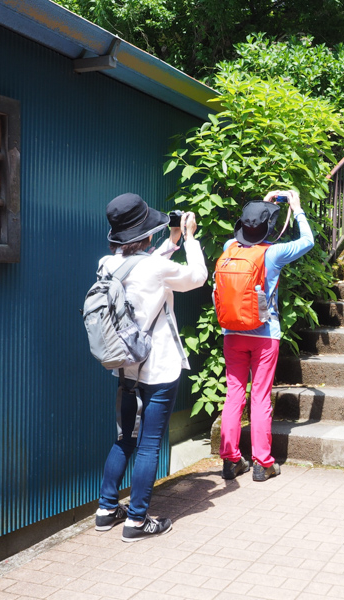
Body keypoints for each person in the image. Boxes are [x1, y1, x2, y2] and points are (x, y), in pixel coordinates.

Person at [95, 193, 207, 542]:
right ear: (145, 235)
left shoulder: (105, 264)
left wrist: (169, 243)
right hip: (158, 369)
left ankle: (106, 510)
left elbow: (138, 265)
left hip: (125, 367)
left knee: (124, 439)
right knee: (148, 445)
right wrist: (189, 239)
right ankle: (138, 521)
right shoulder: (157, 269)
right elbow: (197, 277)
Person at [219, 190, 314, 482]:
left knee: (234, 394)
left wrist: (264, 204)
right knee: (260, 397)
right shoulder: (273, 253)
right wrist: (296, 208)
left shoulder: (229, 246)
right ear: (267, 226)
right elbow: (308, 241)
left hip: (231, 333)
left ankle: (231, 460)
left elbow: (253, 230)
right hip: (263, 335)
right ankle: (263, 463)